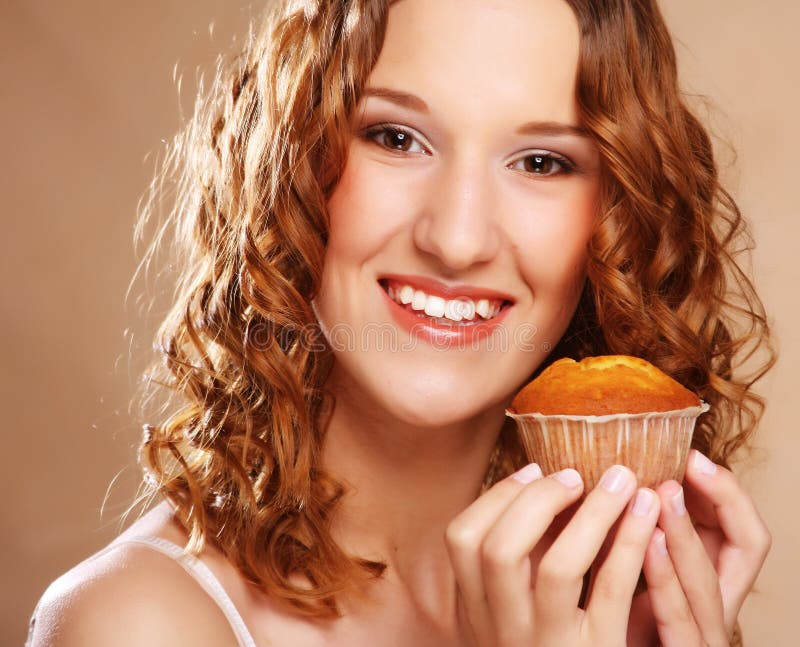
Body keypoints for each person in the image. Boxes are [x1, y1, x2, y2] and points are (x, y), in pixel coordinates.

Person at [27, 0, 775, 645]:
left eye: (541, 162)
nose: (456, 238)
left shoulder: (604, 605)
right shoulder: (137, 623)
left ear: (616, 219)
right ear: (293, 162)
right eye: (395, 138)